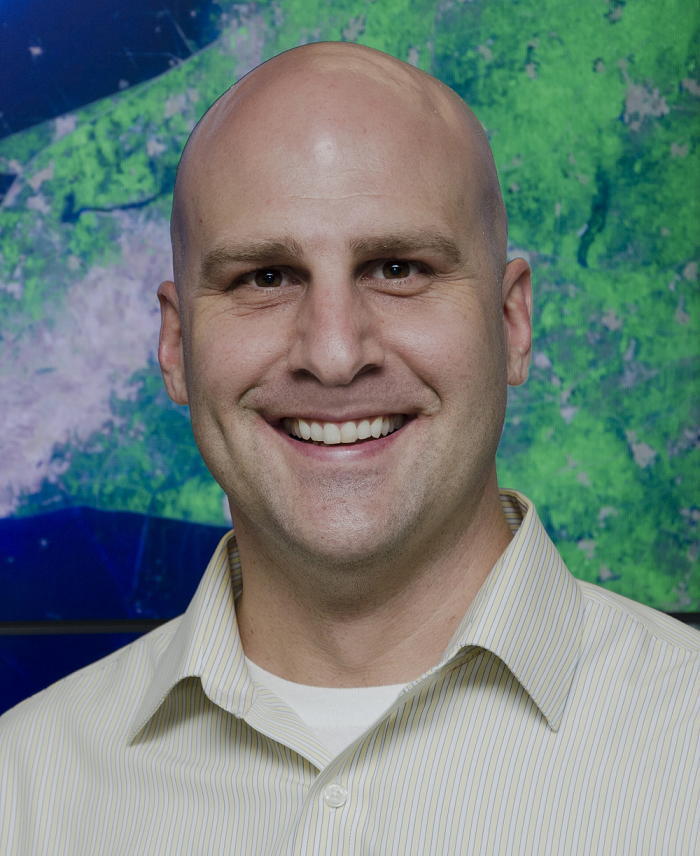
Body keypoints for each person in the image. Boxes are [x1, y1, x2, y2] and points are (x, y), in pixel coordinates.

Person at [1, 42, 698, 856]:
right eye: (265, 278)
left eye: (397, 267)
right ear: (176, 344)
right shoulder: (24, 791)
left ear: (512, 324)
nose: (334, 353)